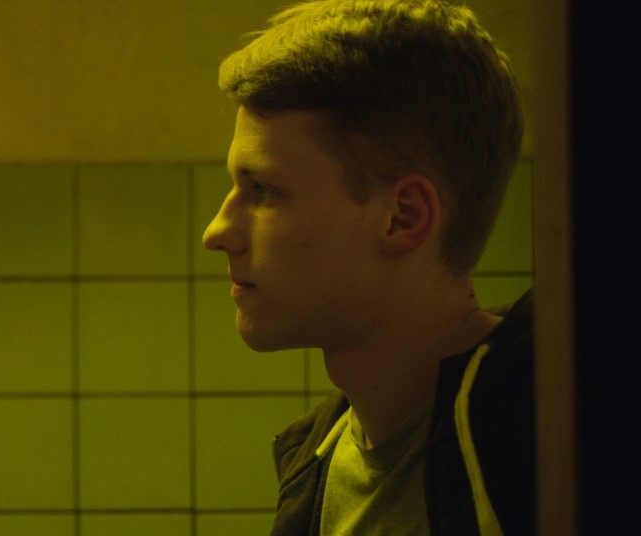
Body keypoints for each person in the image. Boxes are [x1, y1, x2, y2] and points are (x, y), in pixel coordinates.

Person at [200, 1, 532, 534]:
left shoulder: (559, 447)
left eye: (263, 190)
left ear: (403, 218)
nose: (217, 232)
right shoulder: (316, 459)